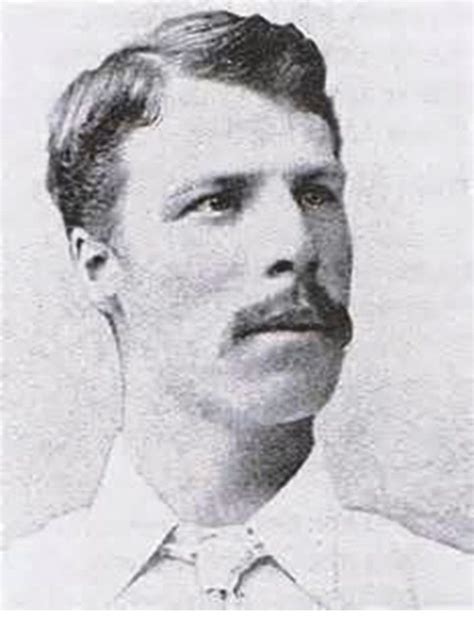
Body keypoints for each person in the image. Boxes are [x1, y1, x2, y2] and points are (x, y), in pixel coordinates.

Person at [3, 10, 472, 609]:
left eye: (315, 194)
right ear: (98, 265)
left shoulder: (446, 597)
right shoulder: (24, 597)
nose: (297, 246)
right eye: (217, 202)